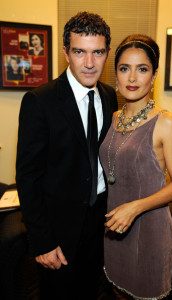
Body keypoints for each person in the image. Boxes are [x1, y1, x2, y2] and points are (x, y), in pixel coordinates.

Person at [16, 11, 117, 300]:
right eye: (79, 52)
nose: (89, 63)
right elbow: (28, 177)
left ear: (107, 53)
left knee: (90, 290)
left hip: (99, 221)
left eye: (97, 52)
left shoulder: (109, 95)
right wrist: (42, 241)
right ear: (65, 52)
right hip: (58, 227)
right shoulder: (40, 101)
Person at [99, 34, 172, 299]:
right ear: (116, 73)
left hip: (149, 229)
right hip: (114, 229)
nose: (132, 78)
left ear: (155, 74)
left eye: (142, 69)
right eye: (125, 68)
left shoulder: (167, 122)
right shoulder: (114, 117)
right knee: (117, 291)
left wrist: (135, 207)